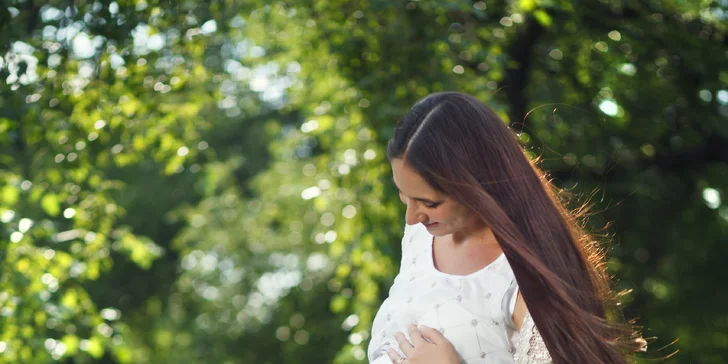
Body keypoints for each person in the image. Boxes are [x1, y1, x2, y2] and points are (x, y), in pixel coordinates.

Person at [367, 92, 647, 364]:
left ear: (477, 184)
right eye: (404, 197)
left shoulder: (528, 280)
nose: (412, 218)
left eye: (429, 203)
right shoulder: (420, 236)